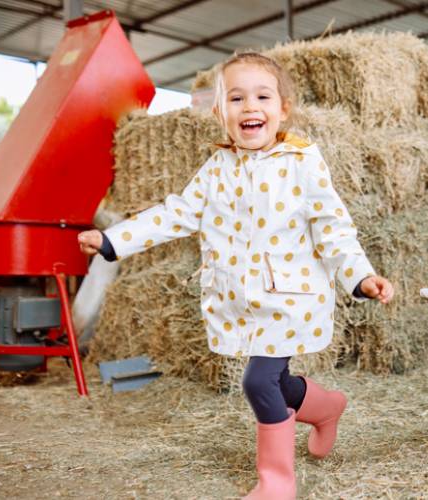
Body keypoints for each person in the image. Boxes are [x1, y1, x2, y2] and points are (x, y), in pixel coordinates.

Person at [78, 52, 394, 499]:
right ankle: (326, 408)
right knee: (278, 383)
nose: (249, 107)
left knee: (258, 382)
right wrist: (114, 240)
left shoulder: (302, 162)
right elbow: (175, 215)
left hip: (291, 298)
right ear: (218, 111)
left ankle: (277, 482)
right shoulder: (215, 170)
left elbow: (333, 229)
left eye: (262, 96)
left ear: (283, 109)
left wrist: (360, 276)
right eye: (236, 98)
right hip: (242, 301)